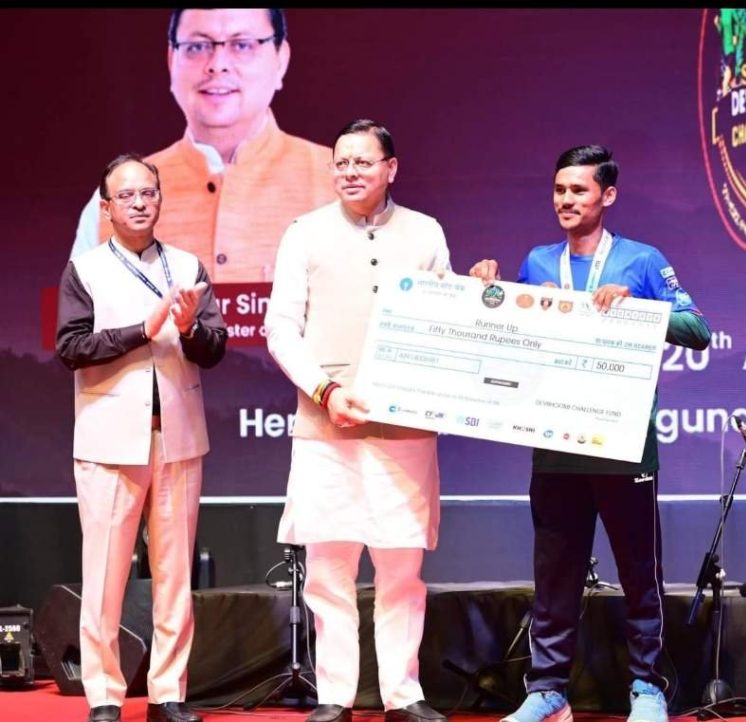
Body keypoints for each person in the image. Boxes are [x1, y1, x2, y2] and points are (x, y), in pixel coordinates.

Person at [468, 145, 711, 722]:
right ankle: (548, 692)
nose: (566, 200)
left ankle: (647, 687)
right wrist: (486, 295)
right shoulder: (538, 262)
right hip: (555, 444)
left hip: (624, 446)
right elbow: (516, 338)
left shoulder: (641, 260)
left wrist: (639, 309)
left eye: (579, 190)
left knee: (639, 573)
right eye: (559, 190)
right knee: (555, 576)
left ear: (608, 195)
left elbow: (697, 329)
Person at [264, 119, 450, 722]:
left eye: (363, 162)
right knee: (328, 569)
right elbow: (280, 328)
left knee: (401, 569)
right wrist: (324, 390)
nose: (350, 172)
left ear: (391, 168)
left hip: (405, 429)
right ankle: (335, 696)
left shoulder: (425, 232)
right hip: (327, 426)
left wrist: (477, 295)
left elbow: (446, 322)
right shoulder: (304, 233)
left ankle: (403, 693)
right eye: (341, 163)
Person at [56, 153, 228, 722]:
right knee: (105, 574)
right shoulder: (85, 270)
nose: (138, 203)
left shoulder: (188, 265)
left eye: (147, 193)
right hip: (108, 441)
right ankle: (105, 694)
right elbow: (71, 348)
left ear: (160, 200)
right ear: (106, 208)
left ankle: (168, 693)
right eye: (125, 195)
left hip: (177, 438)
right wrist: (143, 330)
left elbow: (215, 349)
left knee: (174, 575)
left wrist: (189, 327)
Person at [70, 8, 335, 282]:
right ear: (172, 61)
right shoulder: (116, 199)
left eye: (242, 45)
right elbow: (77, 309)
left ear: (281, 59)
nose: (217, 65)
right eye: (197, 46)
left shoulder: (339, 186)